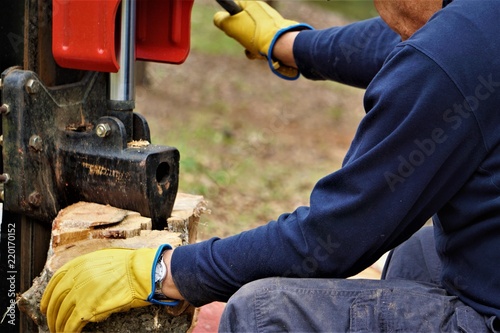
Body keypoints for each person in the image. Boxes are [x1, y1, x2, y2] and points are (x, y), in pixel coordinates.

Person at [40, 0, 500, 331]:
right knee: (420, 255)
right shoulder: (477, 22)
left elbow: (331, 239)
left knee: (264, 314)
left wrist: (162, 273)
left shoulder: (447, 53)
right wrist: (288, 44)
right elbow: (425, 39)